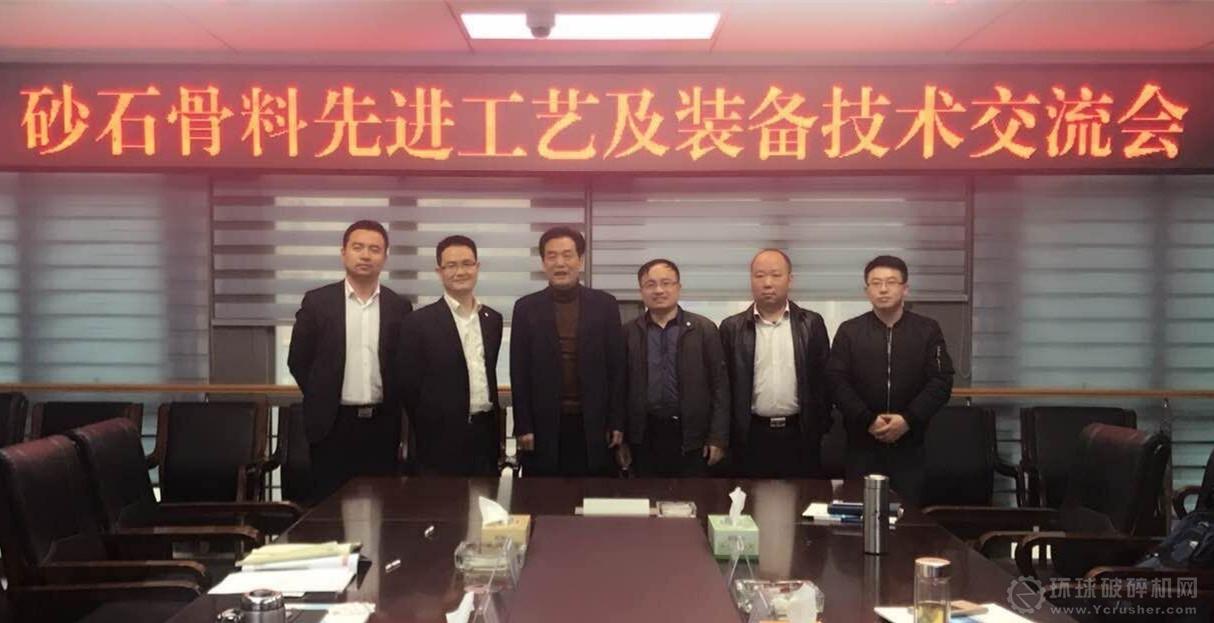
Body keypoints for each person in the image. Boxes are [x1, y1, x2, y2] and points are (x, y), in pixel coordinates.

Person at [287, 220, 411, 502]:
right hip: (332, 425)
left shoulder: (399, 307)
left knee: (381, 507)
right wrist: (322, 394)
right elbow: (298, 360)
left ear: (385, 256)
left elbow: (405, 365)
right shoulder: (317, 302)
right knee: (330, 508)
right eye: (358, 247)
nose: (365, 255)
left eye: (374, 249)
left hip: (382, 425)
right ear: (344, 253)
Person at [827, 255, 954, 507]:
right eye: (876, 283)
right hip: (861, 445)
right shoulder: (849, 331)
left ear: (905, 288)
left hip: (910, 446)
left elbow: (941, 381)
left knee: (908, 517)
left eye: (891, 282)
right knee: (859, 514)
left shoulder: (927, 330)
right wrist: (868, 419)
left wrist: (908, 420)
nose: (883, 289)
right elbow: (836, 381)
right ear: (867, 290)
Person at [510, 226, 626, 476]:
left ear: (580, 260)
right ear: (543, 263)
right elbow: (519, 372)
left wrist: (617, 420)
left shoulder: (605, 304)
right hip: (543, 423)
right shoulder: (525, 308)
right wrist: (523, 425)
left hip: (594, 422)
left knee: (594, 491)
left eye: (567, 255)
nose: (560, 263)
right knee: (544, 493)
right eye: (552, 256)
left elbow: (617, 367)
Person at [720, 249, 831, 478]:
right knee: (749, 499)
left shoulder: (812, 323)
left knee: (803, 499)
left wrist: (820, 427)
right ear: (751, 280)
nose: (767, 283)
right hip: (750, 436)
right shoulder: (731, 328)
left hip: (800, 434)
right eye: (759, 275)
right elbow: (723, 387)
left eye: (776, 275)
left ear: (790, 279)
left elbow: (824, 380)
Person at [398, 235, 503, 476]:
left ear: (477, 267)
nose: (460, 272)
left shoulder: (492, 320)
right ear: (439, 271)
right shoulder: (418, 322)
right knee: (442, 500)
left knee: (486, 498)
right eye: (451, 265)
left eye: (467, 264)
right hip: (438, 439)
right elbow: (408, 385)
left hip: (485, 434)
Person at [623, 259, 729, 477]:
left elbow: (720, 386)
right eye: (650, 284)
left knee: (691, 496)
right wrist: (622, 438)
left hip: (691, 436)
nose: (659, 290)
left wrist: (718, 437)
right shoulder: (628, 333)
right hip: (644, 435)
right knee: (646, 496)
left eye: (666, 283)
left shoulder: (703, 330)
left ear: (678, 288)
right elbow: (619, 388)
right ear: (641, 291)